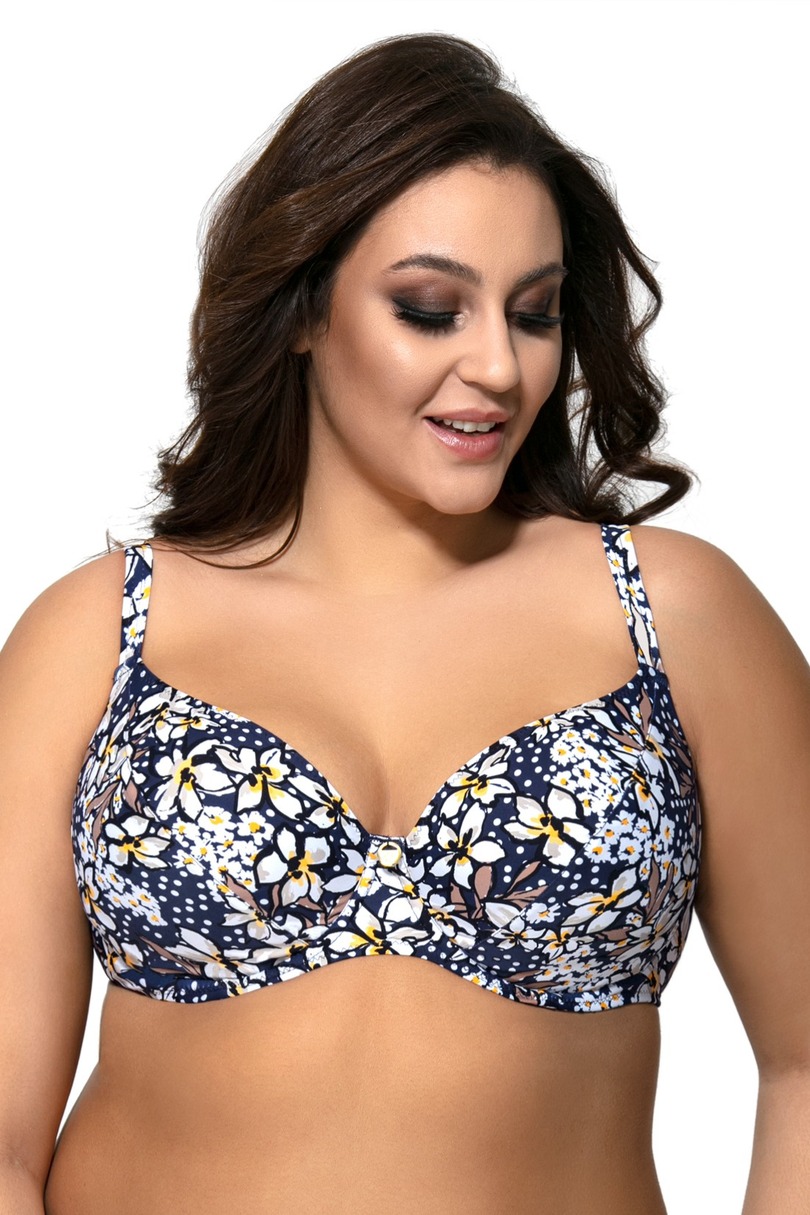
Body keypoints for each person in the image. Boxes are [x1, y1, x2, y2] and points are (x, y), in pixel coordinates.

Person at [1, 30, 807, 1215]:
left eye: (534, 315)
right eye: (431, 310)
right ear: (302, 312)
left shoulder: (676, 615)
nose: (499, 367)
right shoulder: (97, 635)